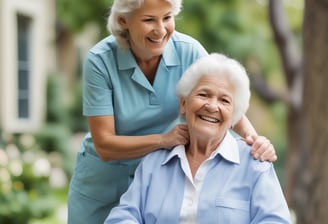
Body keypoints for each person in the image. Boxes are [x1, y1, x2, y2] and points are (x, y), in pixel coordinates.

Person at [67, 0, 277, 223]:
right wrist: (163, 140)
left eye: (167, 17)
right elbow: (105, 145)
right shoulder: (100, 61)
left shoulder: (188, 51)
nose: (160, 29)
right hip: (104, 181)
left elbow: (222, 99)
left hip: (157, 177)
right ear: (123, 20)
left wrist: (255, 143)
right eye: (149, 20)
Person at [104, 53, 291, 224]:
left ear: (234, 115)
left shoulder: (255, 164)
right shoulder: (154, 164)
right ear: (184, 104)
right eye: (203, 94)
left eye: (224, 100)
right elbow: (122, 217)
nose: (211, 106)